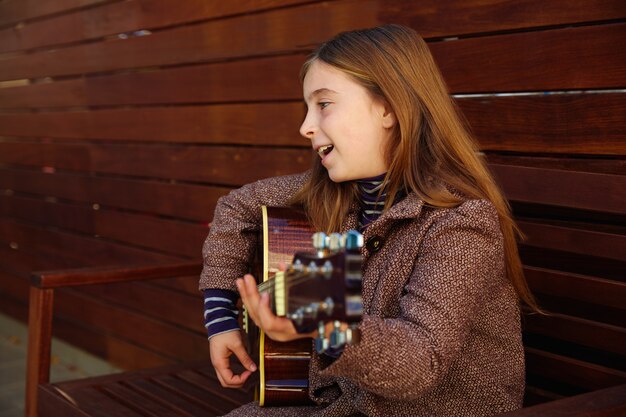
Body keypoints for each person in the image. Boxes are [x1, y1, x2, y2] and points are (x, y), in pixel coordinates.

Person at [199, 24, 538, 417]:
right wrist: (221, 320)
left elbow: (419, 362)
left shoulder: (460, 222)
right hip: (334, 402)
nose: (306, 127)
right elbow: (235, 209)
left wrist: (323, 320)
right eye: (307, 108)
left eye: (324, 104)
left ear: (389, 108)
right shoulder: (335, 191)